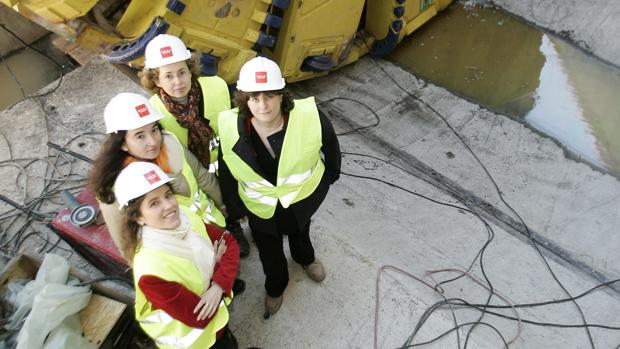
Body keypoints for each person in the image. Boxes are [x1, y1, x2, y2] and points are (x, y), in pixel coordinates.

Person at [217, 57, 341, 317]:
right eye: (254, 97)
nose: (262, 105)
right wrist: (234, 204)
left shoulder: (309, 117)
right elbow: (226, 166)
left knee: (301, 233)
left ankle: (305, 259)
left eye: (270, 95)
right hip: (261, 209)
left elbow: (330, 144)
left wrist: (330, 176)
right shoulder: (230, 126)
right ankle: (276, 287)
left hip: (300, 201)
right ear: (244, 98)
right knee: (270, 253)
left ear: (282, 95)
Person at [139, 34, 250, 257]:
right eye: (168, 76)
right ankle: (231, 227)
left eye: (182, 72)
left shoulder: (217, 87)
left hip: (228, 162)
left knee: (239, 197)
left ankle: (247, 217)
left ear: (191, 69)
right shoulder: (153, 113)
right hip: (195, 173)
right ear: (156, 80)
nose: (178, 82)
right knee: (217, 207)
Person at [114, 161, 239, 348]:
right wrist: (220, 268)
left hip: (219, 323)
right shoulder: (151, 270)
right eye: (154, 203)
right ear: (138, 217)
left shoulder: (186, 216)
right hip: (200, 342)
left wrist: (218, 286)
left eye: (168, 195)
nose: (169, 206)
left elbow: (229, 243)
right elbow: (200, 317)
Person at [89, 92, 226, 258]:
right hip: (181, 252)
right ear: (123, 143)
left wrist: (224, 207)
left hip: (212, 225)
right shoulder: (115, 190)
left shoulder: (170, 143)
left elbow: (201, 176)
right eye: (140, 136)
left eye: (154, 130)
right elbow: (126, 243)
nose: (153, 141)